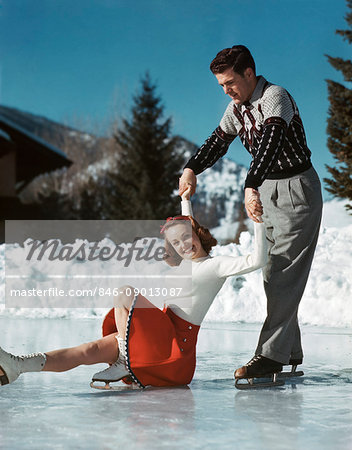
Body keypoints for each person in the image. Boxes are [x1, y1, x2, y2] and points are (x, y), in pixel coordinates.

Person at [0, 187, 268, 389]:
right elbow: (186, 222)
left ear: (197, 234)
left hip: (176, 349)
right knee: (90, 350)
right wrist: (186, 197)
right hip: (159, 335)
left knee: (125, 292)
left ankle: (125, 361)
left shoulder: (214, 265)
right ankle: (19, 365)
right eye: (176, 242)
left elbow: (257, 260)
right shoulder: (185, 261)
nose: (184, 244)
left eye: (187, 237)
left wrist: (257, 221)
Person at [179, 45, 323, 382]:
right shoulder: (236, 109)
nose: (227, 90)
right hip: (268, 192)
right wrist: (191, 169)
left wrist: (250, 184)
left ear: (249, 73)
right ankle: (289, 351)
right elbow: (217, 141)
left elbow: (271, 140)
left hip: (296, 189)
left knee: (283, 274)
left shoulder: (276, 96)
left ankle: (270, 356)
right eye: (221, 86)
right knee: (273, 273)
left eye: (230, 82)